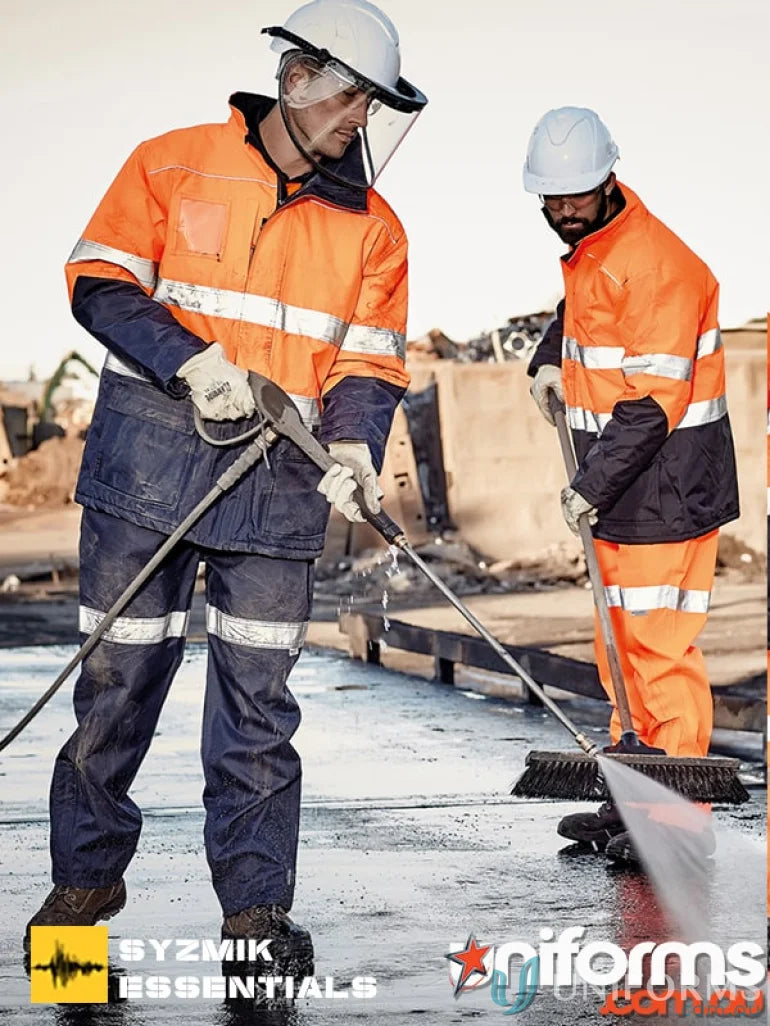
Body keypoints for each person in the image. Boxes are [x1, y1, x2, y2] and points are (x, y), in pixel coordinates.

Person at [24, 0, 427, 974]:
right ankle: (80, 891)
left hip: (279, 480)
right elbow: (98, 278)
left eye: (371, 108)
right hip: (150, 466)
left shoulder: (374, 229)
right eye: (346, 99)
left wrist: (356, 449)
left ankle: (253, 915)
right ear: (296, 79)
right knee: (116, 687)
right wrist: (187, 361)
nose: (355, 123)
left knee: (257, 709)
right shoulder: (173, 159)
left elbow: (369, 364)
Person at [524, 107, 739, 864]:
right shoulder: (597, 247)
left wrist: (588, 484)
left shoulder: (659, 266)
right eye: (550, 201)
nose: (562, 212)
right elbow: (578, 317)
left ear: (609, 180)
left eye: (574, 197)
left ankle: (677, 828)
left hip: (666, 489)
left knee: (658, 649)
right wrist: (547, 359)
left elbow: (653, 404)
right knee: (617, 648)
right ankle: (632, 801)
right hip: (622, 490)